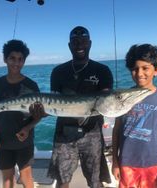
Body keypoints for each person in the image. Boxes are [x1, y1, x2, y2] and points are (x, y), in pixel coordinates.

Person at [48, 26, 114, 188]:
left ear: (90, 43)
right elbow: (52, 104)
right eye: (75, 42)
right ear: (69, 45)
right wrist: (39, 112)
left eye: (83, 41)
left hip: (93, 134)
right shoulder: (58, 71)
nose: (79, 46)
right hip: (64, 133)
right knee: (62, 180)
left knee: (96, 181)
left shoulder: (102, 70)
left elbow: (106, 102)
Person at [112, 44, 157, 188]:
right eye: (135, 69)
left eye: (145, 68)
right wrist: (115, 162)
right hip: (126, 163)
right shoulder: (121, 97)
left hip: (154, 163)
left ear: (156, 70)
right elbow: (116, 131)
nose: (139, 73)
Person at [0, 39, 44, 188]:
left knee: (26, 177)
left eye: (20, 59)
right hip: (2, 140)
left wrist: (28, 128)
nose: (16, 63)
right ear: (5, 59)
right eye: (12, 58)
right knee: (7, 180)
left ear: (24, 61)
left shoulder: (31, 85)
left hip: (24, 139)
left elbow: (39, 115)